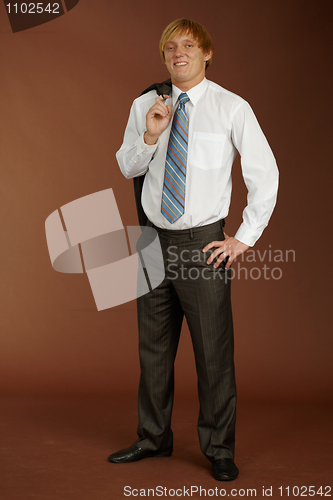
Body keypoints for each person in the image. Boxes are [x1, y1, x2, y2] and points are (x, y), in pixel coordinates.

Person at [108, 18, 279, 481]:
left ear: (206, 53)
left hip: (201, 243)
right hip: (150, 240)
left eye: (188, 45)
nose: (178, 53)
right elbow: (126, 166)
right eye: (170, 47)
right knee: (154, 350)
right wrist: (150, 135)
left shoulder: (231, 107)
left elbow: (265, 173)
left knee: (213, 352)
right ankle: (152, 437)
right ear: (163, 57)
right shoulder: (147, 103)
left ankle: (219, 448)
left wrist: (244, 238)